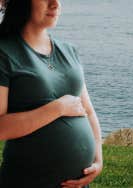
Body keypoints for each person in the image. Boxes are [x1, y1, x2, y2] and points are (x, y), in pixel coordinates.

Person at [0, 0, 102, 187]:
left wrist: (98, 160)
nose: (55, 4)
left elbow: (88, 110)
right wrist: (58, 108)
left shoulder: (69, 51)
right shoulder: (4, 52)